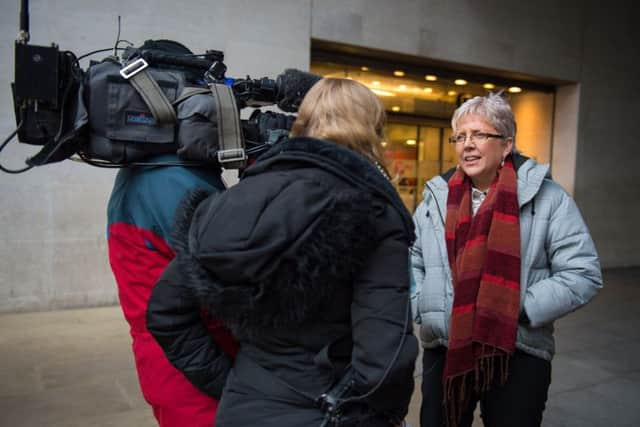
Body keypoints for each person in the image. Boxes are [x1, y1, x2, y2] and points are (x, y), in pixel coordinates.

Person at [147, 77, 419, 426]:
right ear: (373, 129)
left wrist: (232, 382)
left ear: (302, 122)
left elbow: (165, 311)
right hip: (324, 411)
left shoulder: (236, 198)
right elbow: (384, 360)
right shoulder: (373, 211)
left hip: (241, 407)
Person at [410, 93, 602, 427]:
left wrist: (517, 309)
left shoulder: (549, 199)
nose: (467, 145)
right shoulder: (436, 198)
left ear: (507, 143)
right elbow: (411, 260)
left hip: (516, 350)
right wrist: (424, 305)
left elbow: (582, 272)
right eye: (461, 136)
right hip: (446, 346)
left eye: (479, 135)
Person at [107, 154, 238, 427]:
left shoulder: (146, 172)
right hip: (193, 362)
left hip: (169, 361)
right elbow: (231, 273)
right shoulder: (171, 180)